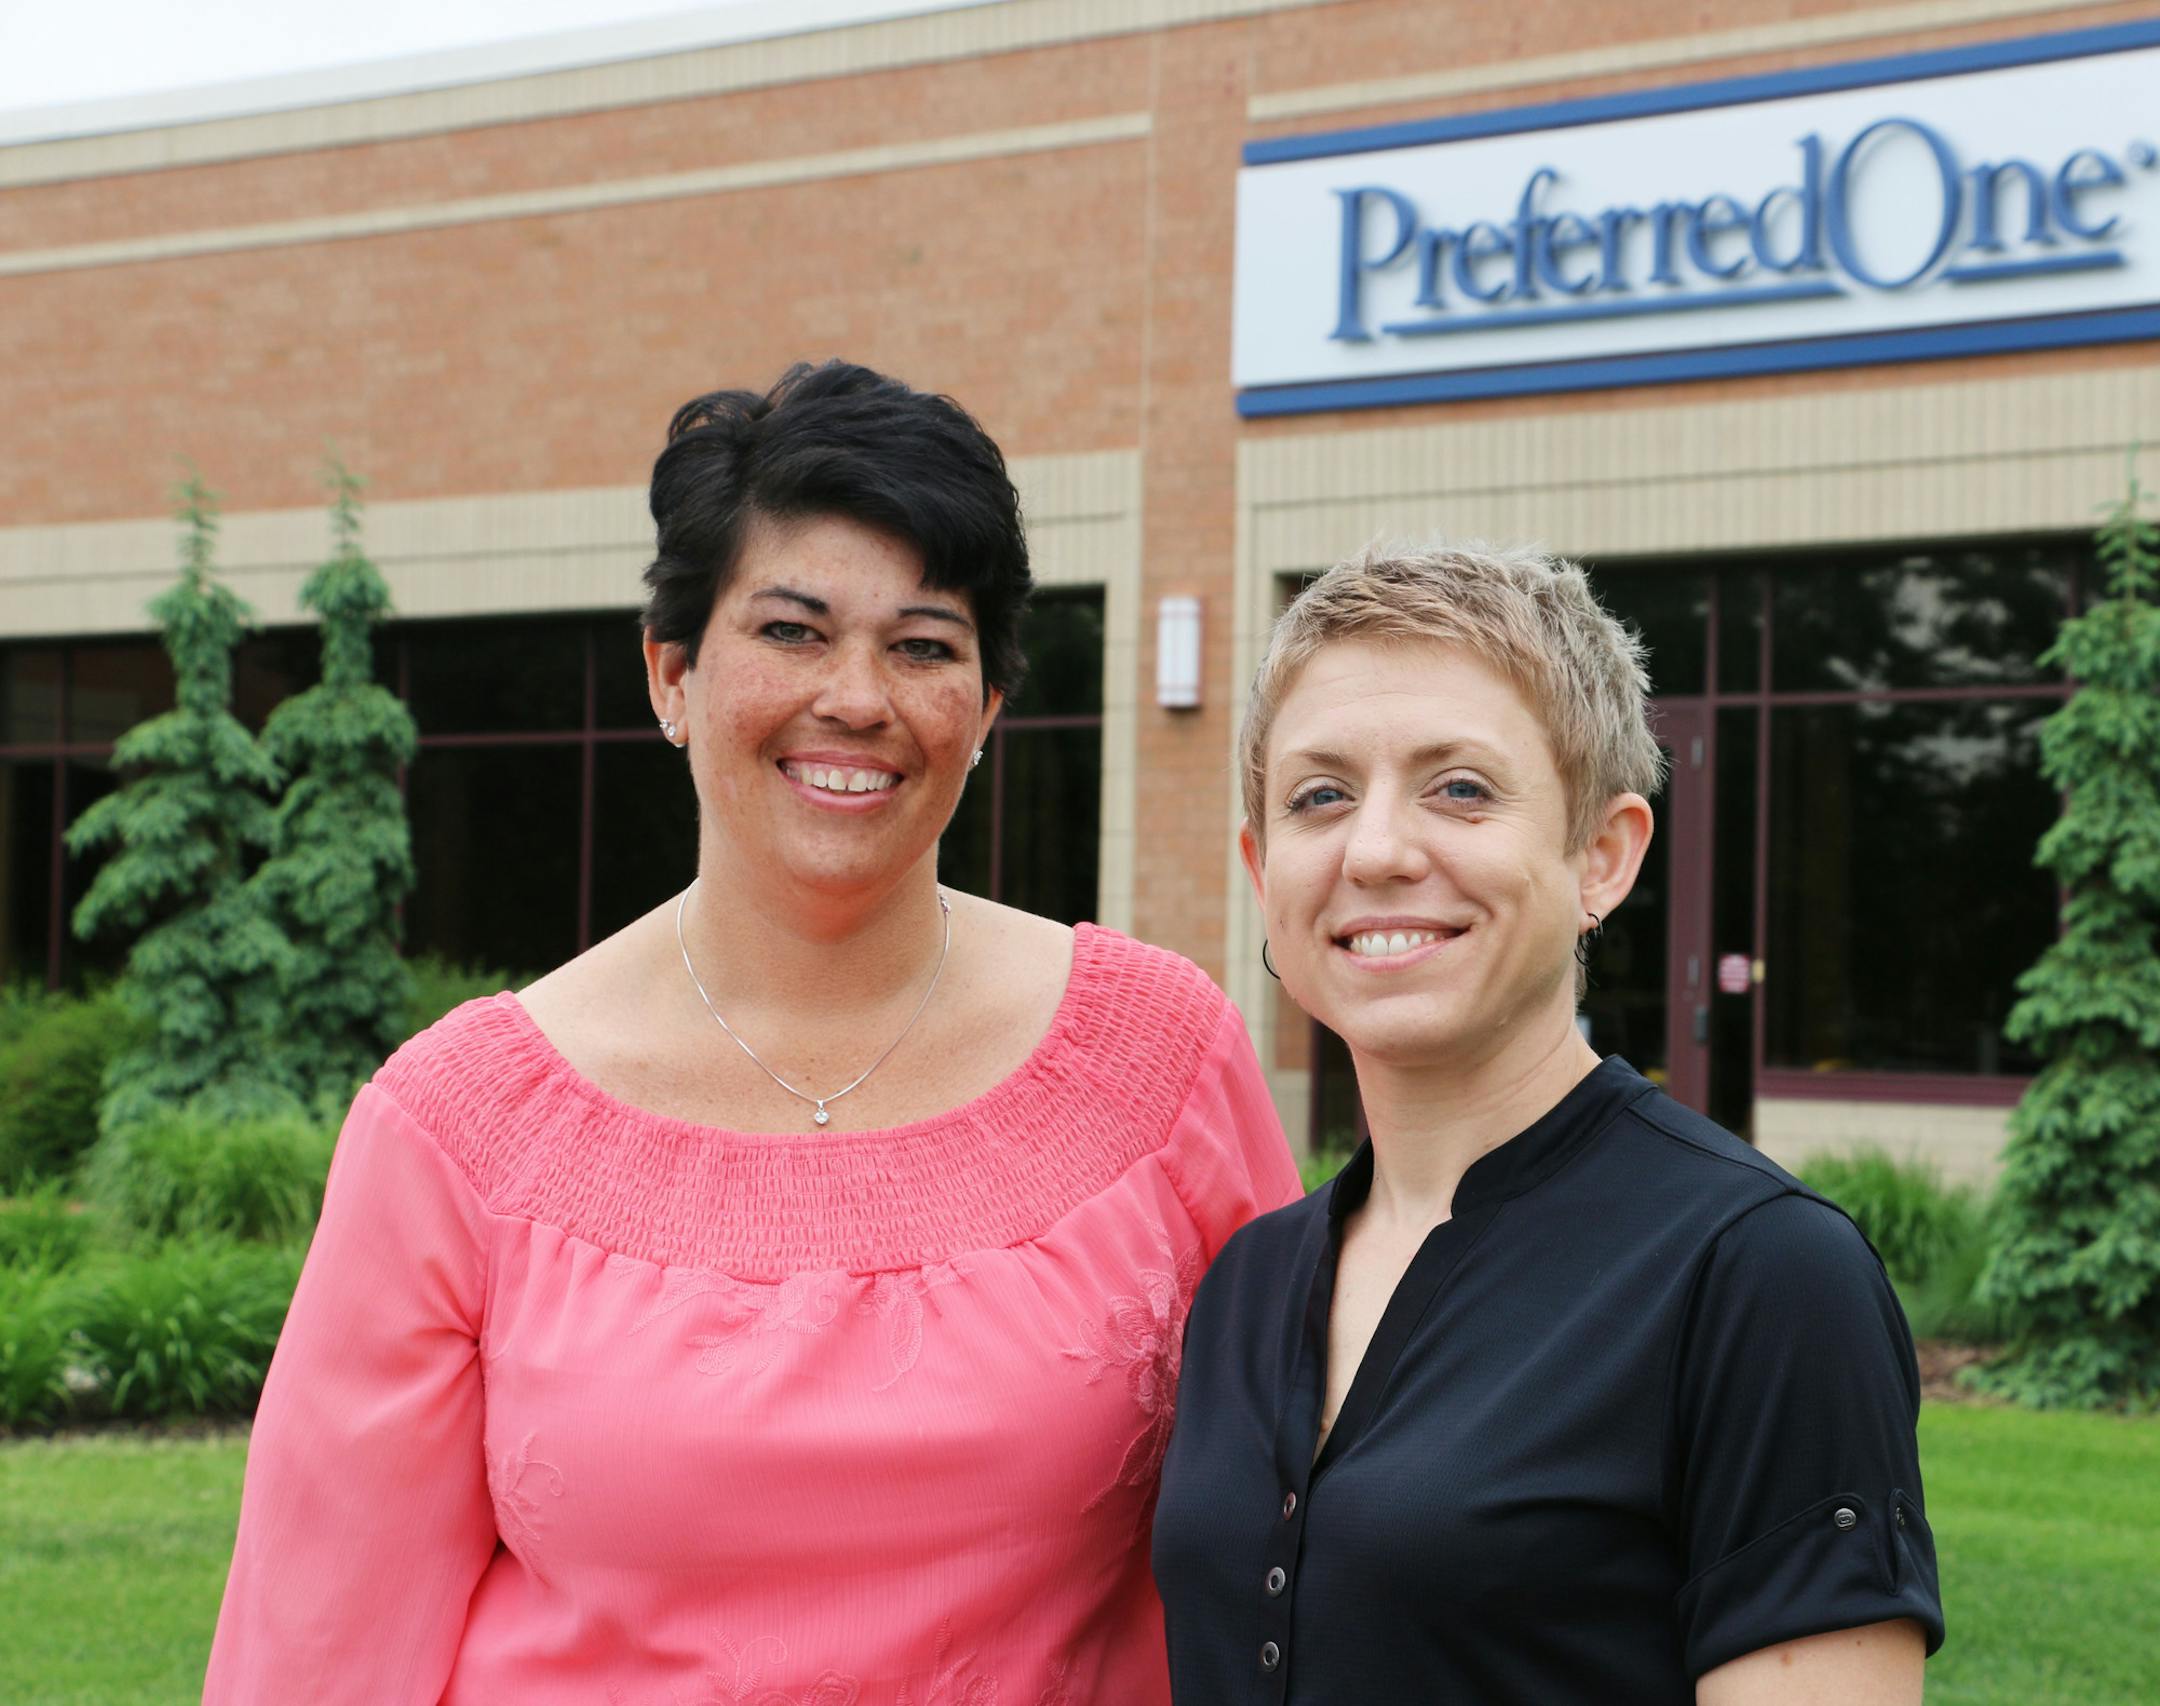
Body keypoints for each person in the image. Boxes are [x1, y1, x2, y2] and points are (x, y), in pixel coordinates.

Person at [206, 361, 1301, 1705]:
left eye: (924, 644)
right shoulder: (458, 1129)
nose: (856, 696)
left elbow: (1310, 1546)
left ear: (989, 707)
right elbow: (317, 1651)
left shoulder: (1159, 1064)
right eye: (791, 630)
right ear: (671, 672)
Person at [1154, 541, 1943, 1705]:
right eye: (1321, 795)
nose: (1375, 849)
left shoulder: (1762, 1273)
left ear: (1603, 857)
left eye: (1459, 787)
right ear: (1263, 868)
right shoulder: (1245, 1283)